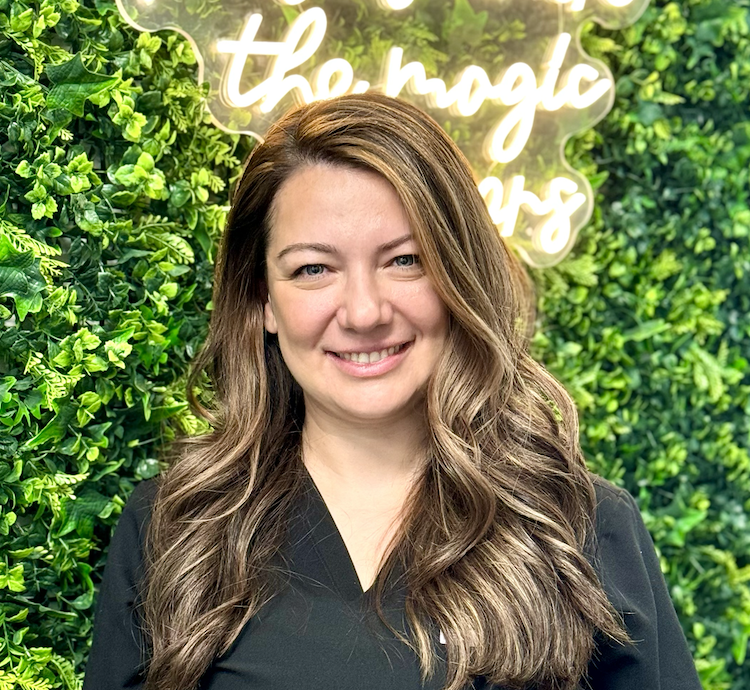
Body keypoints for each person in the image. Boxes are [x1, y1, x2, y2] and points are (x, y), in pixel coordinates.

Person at [83, 93, 702, 690]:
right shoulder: (176, 529)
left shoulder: (576, 528)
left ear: (459, 273)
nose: (363, 312)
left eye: (405, 260)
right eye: (313, 269)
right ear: (262, 300)